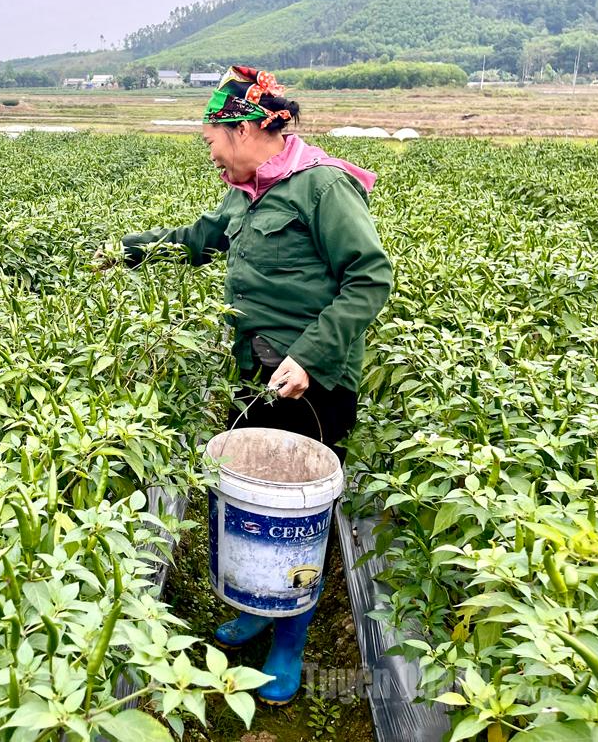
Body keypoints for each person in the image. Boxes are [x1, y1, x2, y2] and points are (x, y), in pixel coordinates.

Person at [101, 66, 393, 704]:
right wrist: (127, 251)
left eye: (212, 138)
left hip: (315, 383)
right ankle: (259, 608)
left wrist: (311, 357)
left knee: (298, 515)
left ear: (247, 129)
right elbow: (196, 240)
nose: (208, 151)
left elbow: (369, 278)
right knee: (249, 497)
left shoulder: (323, 188)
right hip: (255, 373)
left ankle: (290, 639)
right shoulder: (246, 192)